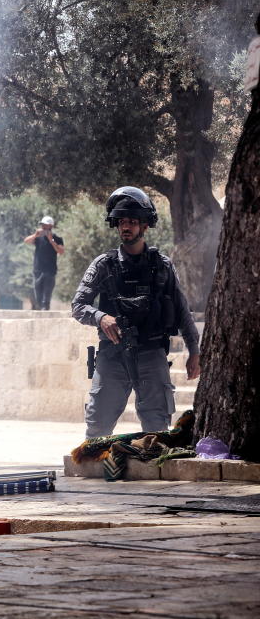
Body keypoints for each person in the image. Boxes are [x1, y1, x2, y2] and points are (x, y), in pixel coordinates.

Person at [72, 187, 200, 438]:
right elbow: (78, 306)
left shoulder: (162, 265)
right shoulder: (103, 264)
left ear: (145, 226)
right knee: (97, 428)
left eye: (132, 221)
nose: (125, 227)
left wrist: (194, 350)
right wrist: (101, 317)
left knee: (156, 430)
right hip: (114, 354)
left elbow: (182, 309)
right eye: (121, 222)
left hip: (152, 354)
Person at [23, 215, 64, 310]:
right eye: (42, 225)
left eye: (45, 226)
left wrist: (51, 241)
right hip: (38, 269)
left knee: (47, 293)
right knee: (38, 294)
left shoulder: (57, 238)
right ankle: (39, 309)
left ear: (50, 226)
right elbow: (26, 241)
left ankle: (46, 310)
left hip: (50, 270)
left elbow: (61, 251)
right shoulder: (38, 238)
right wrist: (35, 235)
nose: (43, 227)